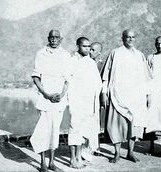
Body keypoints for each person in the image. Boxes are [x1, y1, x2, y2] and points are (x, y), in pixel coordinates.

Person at [101, 29, 152, 163]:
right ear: (122, 38)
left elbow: (146, 78)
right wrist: (104, 93)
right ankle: (117, 153)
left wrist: (147, 95)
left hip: (136, 97)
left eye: (132, 37)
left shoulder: (139, 55)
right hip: (118, 95)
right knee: (116, 125)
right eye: (127, 37)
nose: (130, 39)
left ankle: (130, 152)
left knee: (134, 127)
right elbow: (106, 75)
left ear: (135, 39)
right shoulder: (115, 53)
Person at [30, 29, 71, 172]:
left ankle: (52, 162)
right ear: (48, 38)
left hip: (59, 100)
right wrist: (46, 94)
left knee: (55, 131)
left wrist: (62, 94)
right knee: (43, 131)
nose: (54, 39)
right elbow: (36, 78)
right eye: (51, 37)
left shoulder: (66, 55)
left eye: (57, 37)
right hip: (45, 99)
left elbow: (68, 79)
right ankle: (42, 164)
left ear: (61, 39)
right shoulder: (41, 54)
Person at [68, 37, 102, 168]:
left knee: (82, 130)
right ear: (78, 46)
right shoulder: (72, 61)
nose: (88, 49)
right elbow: (69, 81)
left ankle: (78, 157)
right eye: (84, 46)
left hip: (88, 102)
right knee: (74, 129)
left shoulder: (90, 62)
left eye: (89, 46)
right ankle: (72, 159)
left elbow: (97, 84)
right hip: (76, 101)